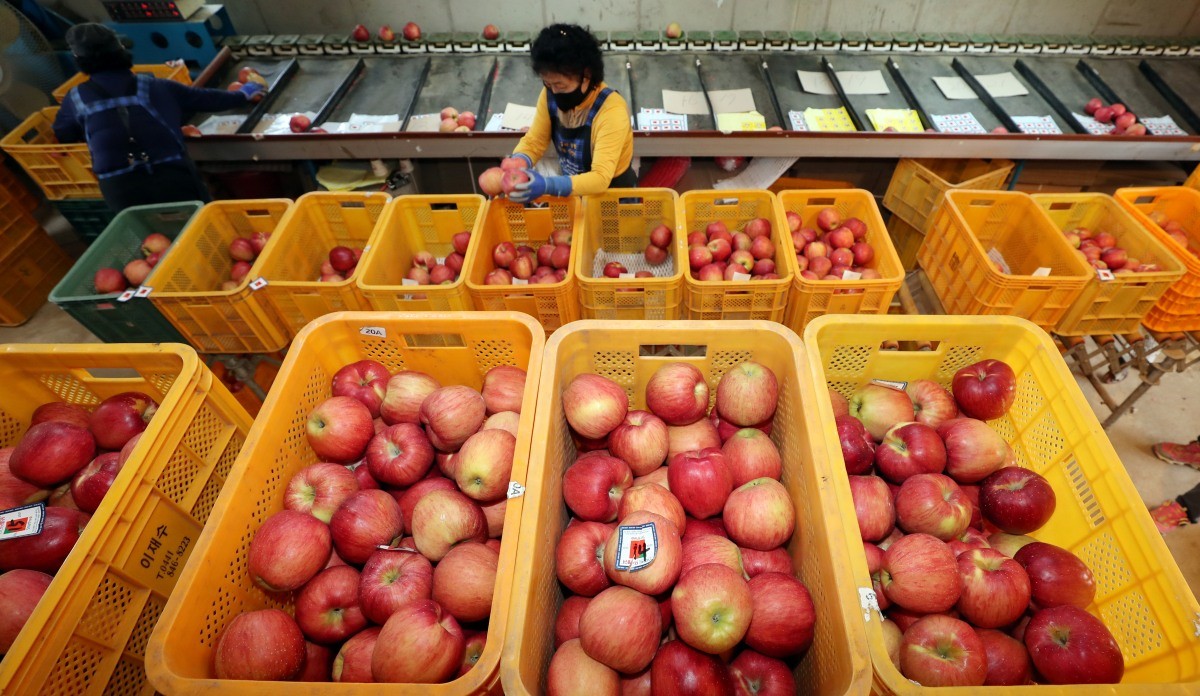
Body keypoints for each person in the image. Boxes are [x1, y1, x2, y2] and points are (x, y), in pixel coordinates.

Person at [52, 23, 264, 211]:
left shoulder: (75, 99)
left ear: (79, 60)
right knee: (198, 232)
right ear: (121, 50)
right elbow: (207, 99)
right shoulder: (155, 87)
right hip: (172, 179)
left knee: (150, 245)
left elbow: (63, 133)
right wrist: (244, 93)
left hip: (121, 190)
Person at [504, 24, 635, 203]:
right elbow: (535, 140)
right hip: (573, 195)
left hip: (611, 200)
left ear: (586, 75)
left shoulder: (611, 110)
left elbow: (600, 178)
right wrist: (519, 161)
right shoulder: (549, 94)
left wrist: (548, 186)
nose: (554, 91)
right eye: (548, 84)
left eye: (560, 85)